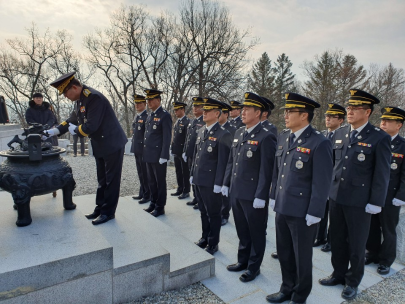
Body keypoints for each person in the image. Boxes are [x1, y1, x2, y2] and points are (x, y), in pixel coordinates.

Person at [319, 89, 391, 301]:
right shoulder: (340, 134)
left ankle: (352, 281)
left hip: (360, 202)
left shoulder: (379, 138)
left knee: (357, 244)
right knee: (337, 239)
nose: (349, 111)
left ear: (367, 112)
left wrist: (376, 202)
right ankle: (338, 274)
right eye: (348, 107)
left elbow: (382, 173)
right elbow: (332, 166)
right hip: (336, 197)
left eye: (354, 108)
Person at [266, 93, 333, 304]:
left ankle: (300, 295)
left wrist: (315, 211)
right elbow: (278, 172)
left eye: (290, 111)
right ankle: (286, 288)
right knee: (284, 253)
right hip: (283, 207)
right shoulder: (284, 136)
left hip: (303, 212)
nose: (285, 115)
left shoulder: (318, 142)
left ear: (304, 115)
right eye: (285, 111)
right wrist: (273, 196)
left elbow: (322, 182)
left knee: (301, 257)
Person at [46, 72, 127, 225]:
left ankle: (108, 212)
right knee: (102, 180)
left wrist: (75, 130)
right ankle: (100, 208)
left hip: (112, 143)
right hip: (101, 145)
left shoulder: (94, 98)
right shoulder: (80, 100)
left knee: (111, 181)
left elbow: (91, 126)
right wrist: (54, 131)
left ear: (75, 87)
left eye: (65, 92)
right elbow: (72, 119)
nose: (64, 96)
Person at [223, 92, 277, 283]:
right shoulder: (239, 133)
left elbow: (266, 169)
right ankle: (242, 261)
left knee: (256, 232)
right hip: (237, 192)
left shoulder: (266, 137)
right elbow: (232, 161)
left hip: (254, 195)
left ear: (259, 113)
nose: (242, 112)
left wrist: (262, 195)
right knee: (242, 230)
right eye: (243, 109)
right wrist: (226, 183)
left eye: (247, 109)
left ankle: (254, 268)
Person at [366, 106, 405, 275]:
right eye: (382, 119)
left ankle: (386, 260)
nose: (383, 122)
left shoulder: (402, 146)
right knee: (372, 226)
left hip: (391, 196)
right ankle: (372, 253)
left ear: (399, 125)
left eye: (388, 120)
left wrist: (401, 196)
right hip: (374, 194)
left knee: (388, 229)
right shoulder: (375, 140)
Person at [191, 98, 231, 255]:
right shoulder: (201, 131)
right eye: (204, 110)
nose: (204, 112)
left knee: (213, 213)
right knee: (202, 210)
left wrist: (219, 183)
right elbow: (196, 156)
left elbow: (224, 162)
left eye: (208, 110)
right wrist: (192, 174)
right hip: (199, 179)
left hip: (212, 182)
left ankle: (213, 243)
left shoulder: (223, 134)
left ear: (217, 113)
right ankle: (204, 237)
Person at [315, 103, 346, 253]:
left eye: (331, 116)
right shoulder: (321, 135)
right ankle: (319, 237)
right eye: (326, 116)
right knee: (320, 209)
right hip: (322, 180)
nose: (327, 119)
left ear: (340, 120)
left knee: (333, 215)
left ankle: (330, 240)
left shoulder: (345, 136)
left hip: (335, 181)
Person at [142, 89, 172, 217]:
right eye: (147, 100)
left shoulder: (165, 115)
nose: (148, 102)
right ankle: (153, 203)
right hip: (149, 154)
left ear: (158, 100)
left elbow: (167, 137)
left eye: (151, 99)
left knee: (160, 182)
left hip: (158, 156)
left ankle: (160, 207)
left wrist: (164, 155)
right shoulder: (150, 115)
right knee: (151, 181)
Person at [26, 92, 59, 197]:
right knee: (35, 158)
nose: (38, 99)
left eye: (40, 97)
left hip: (48, 134)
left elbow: (52, 119)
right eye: (36, 98)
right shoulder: (29, 110)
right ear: (33, 99)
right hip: (35, 135)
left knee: (51, 157)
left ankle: (54, 186)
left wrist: (47, 126)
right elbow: (29, 120)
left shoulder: (47, 109)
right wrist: (38, 127)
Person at [182, 97, 205, 209]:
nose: (195, 108)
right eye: (194, 106)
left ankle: (200, 199)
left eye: (197, 106)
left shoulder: (204, 121)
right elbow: (188, 138)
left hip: (198, 155)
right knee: (192, 177)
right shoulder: (192, 121)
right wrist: (185, 151)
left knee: (198, 177)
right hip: (190, 154)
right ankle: (196, 197)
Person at [218, 102, 236, 226]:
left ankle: (224, 214)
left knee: (225, 191)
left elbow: (233, 150)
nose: (217, 115)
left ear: (226, 114)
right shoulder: (215, 128)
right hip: (216, 164)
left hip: (226, 165)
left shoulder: (232, 129)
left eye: (220, 113)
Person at [130, 94, 150, 204]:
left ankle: (147, 194)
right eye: (136, 103)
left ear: (144, 104)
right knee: (140, 172)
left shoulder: (147, 116)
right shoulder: (137, 117)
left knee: (145, 172)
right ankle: (142, 192)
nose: (137, 105)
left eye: (139, 103)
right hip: (137, 148)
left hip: (143, 149)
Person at [171, 101, 191, 199]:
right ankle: (180, 188)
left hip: (183, 151)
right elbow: (175, 137)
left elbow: (187, 139)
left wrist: (186, 152)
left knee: (185, 171)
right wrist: (172, 147)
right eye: (175, 110)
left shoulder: (187, 122)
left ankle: (186, 190)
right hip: (176, 151)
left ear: (183, 109)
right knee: (178, 171)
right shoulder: (177, 122)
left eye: (177, 109)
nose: (175, 111)